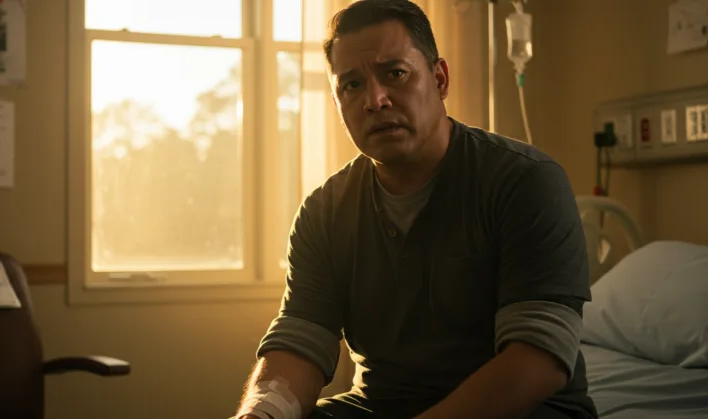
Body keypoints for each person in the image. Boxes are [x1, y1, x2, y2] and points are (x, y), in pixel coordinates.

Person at [235, 1, 597, 418]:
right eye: (351, 85)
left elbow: (537, 360)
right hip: (380, 406)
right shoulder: (324, 213)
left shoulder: (524, 181)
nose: (375, 100)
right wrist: (260, 413)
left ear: (439, 79)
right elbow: (300, 344)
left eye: (395, 74)